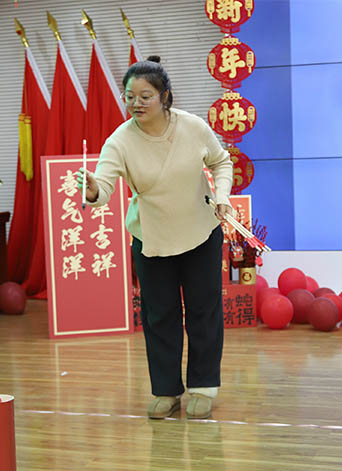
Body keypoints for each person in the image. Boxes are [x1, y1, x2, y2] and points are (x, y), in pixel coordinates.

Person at [77, 56, 233, 419]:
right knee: (159, 316)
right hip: (152, 239)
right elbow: (103, 189)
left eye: (145, 96)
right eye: (130, 96)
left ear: (165, 96)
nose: (136, 104)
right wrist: (92, 189)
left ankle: (203, 387)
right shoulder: (119, 140)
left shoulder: (192, 127)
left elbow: (221, 161)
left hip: (200, 232)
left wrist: (223, 196)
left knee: (204, 312)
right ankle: (166, 390)